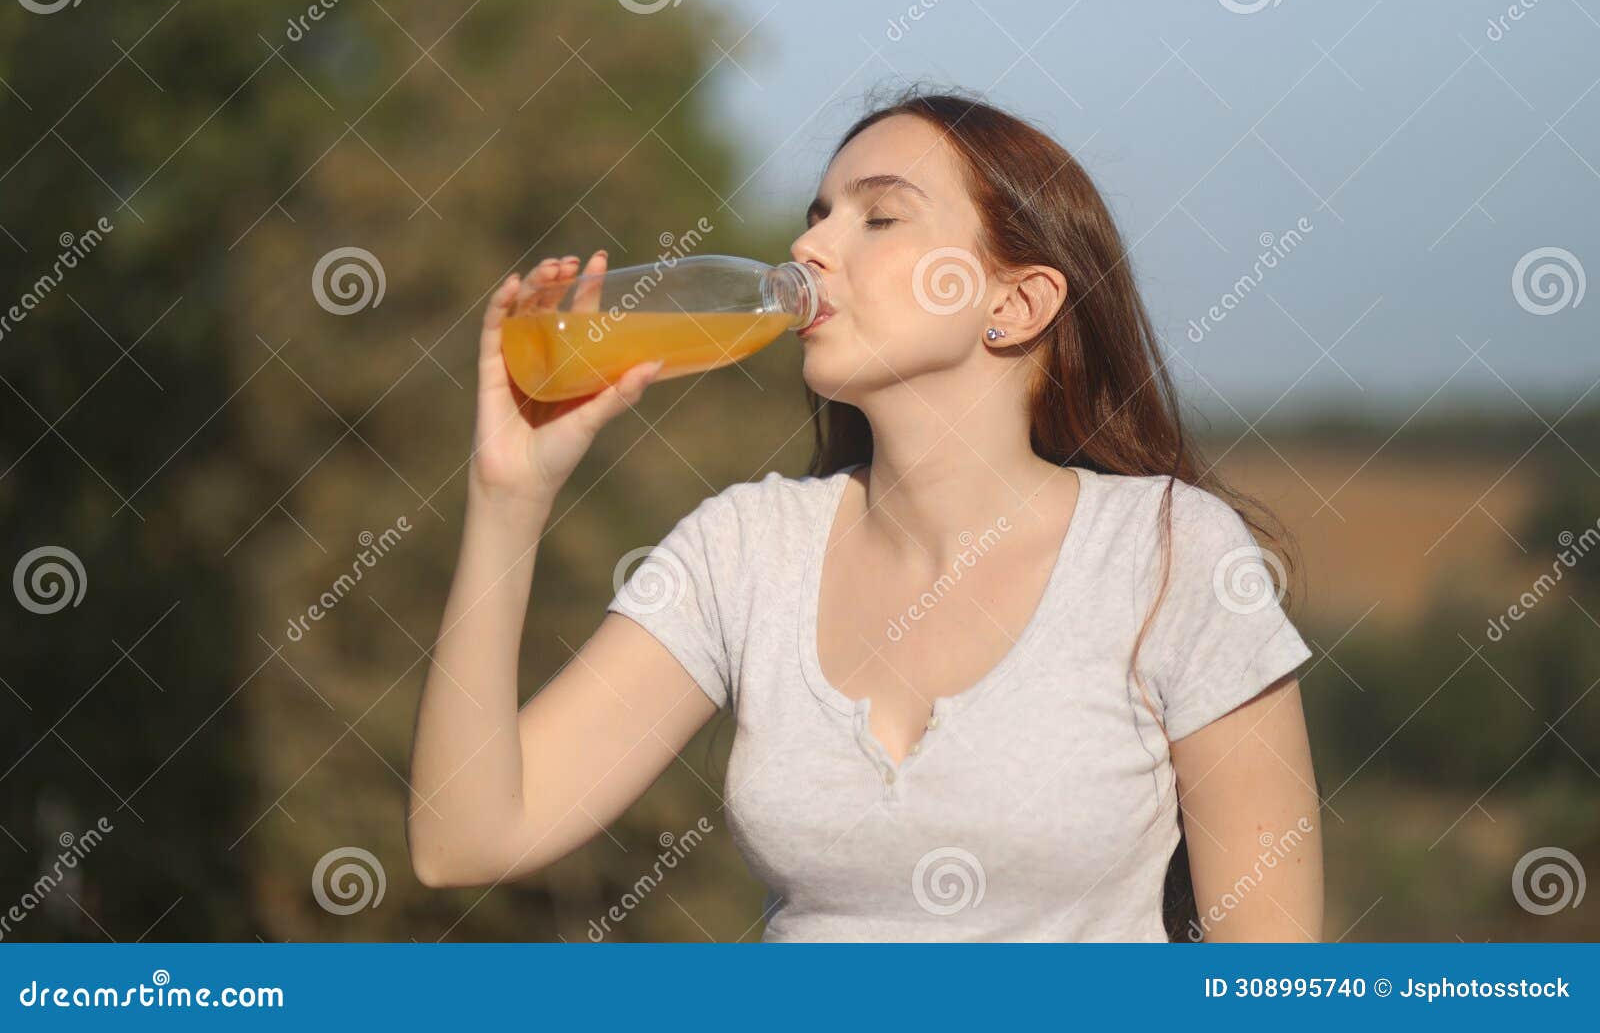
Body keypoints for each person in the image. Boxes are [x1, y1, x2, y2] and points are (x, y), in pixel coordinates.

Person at [406, 87, 1323, 942]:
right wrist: (507, 497)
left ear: (1015, 301)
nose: (808, 250)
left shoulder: (1167, 555)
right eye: (818, 217)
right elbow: (468, 839)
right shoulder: (745, 551)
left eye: (879, 218)